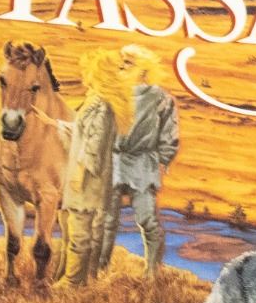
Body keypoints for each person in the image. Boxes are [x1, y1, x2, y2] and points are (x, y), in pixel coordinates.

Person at [98, 45, 181, 280]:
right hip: (113, 161)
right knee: (106, 220)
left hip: (143, 164)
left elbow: (169, 133)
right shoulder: (111, 95)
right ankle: (100, 267)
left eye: (129, 63)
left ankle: (152, 272)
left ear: (143, 69)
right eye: (122, 62)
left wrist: (164, 158)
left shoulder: (160, 98)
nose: (122, 66)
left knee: (147, 219)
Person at [58, 49, 127, 287]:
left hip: (88, 177)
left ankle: (72, 282)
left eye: (86, 69)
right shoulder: (98, 102)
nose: (83, 74)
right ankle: (83, 278)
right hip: (90, 176)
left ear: (97, 73)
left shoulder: (100, 105)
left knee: (79, 229)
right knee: (83, 227)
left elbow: (94, 144)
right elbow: (83, 134)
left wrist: (79, 172)